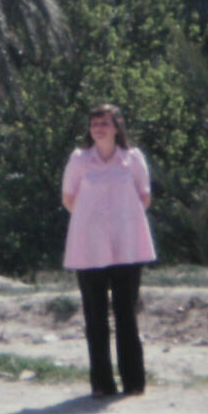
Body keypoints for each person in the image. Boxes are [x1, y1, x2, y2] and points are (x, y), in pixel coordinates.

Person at [60, 103, 156, 397]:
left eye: (104, 123)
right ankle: (102, 383)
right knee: (95, 317)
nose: (98, 128)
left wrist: (120, 222)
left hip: (127, 247)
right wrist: (94, 224)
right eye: (94, 123)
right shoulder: (79, 160)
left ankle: (134, 382)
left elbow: (144, 197)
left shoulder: (133, 159)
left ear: (117, 127)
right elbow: (69, 199)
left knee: (127, 315)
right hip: (89, 249)